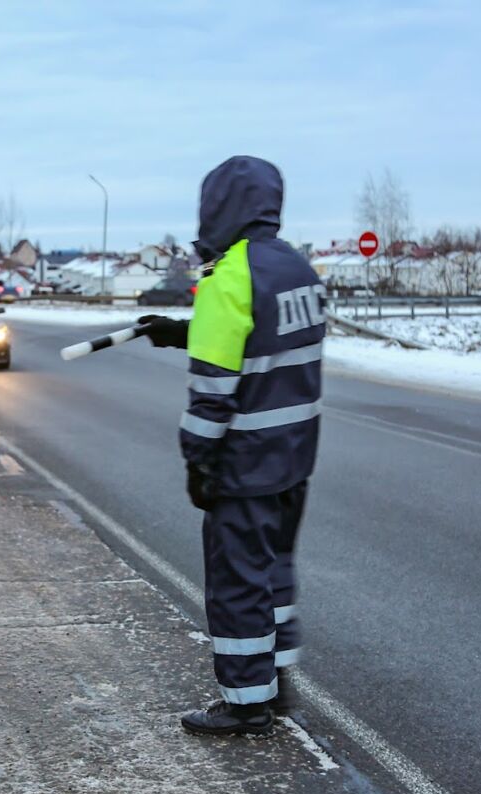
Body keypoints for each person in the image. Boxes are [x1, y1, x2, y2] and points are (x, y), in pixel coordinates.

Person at [140, 155, 326, 735]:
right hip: (294, 459)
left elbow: (213, 394)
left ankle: (246, 702)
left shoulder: (227, 277)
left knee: (236, 580)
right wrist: (184, 332)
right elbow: (264, 342)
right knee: (274, 572)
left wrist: (198, 462)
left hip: (245, 464)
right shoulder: (298, 269)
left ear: (217, 206)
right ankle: (277, 680)